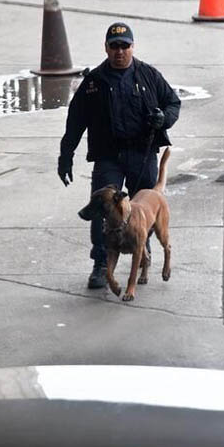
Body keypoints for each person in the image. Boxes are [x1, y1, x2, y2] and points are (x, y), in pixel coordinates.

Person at [58, 22, 181, 289]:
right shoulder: (93, 83)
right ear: (106, 48)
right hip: (108, 157)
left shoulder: (148, 75)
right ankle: (101, 264)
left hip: (142, 154)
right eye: (114, 46)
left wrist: (164, 119)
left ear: (132, 47)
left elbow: (173, 103)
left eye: (125, 46)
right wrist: (65, 155)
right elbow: (75, 121)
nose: (119, 51)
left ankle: (143, 255)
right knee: (104, 208)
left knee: (142, 212)